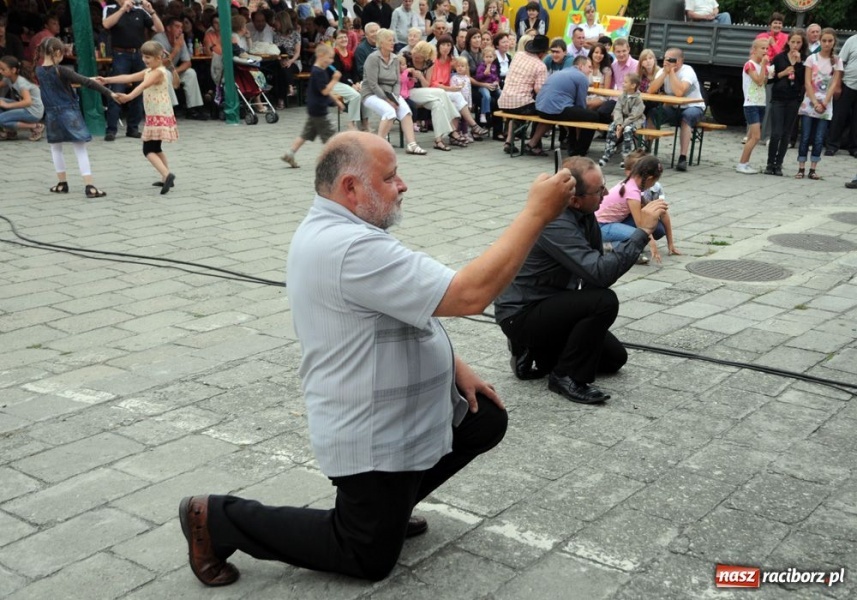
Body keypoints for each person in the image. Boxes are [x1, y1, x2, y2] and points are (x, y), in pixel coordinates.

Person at [178, 129, 576, 587]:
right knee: (365, 556)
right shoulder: (351, 247)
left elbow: (408, 306)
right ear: (351, 187)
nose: (402, 185)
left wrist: (454, 365)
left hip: (397, 413)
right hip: (370, 431)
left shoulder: (345, 230)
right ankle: (218, 517)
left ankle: (391, 505)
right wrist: (536, 214)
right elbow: (469, 294)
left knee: (483, 417)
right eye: (390, 177)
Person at [495, 156, 668, 403]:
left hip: (552, 302)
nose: (607, 193)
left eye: (604, 184)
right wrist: (642, 233)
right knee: (604, 302)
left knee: (614, 359)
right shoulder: (555, 222)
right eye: (599, 191)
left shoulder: (586, 214)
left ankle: (538, 351)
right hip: (521, 313)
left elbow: (594, 276)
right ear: (574, 199)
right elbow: (599, 273)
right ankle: (565, 376)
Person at [35, 37, 119, 197]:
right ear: (58, 52)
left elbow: (61, 84)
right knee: (80, 148)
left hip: (52, 114)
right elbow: (85, 83)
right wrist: (110, 93)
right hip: (69, 112)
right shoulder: (62, 70)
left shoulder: (38, 71)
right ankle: (90, 186)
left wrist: (86, 80)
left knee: (56, 148)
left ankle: (62, 183)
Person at [98, 41, 179, 194]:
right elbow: (129, 77)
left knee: (147, 150)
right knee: (156, 147)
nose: (144, 60)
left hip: (158, 114)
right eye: (143, 56)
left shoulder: (157, 72)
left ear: (158, 57)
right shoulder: (149, 70)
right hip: (158, 114)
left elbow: (142, 86)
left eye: (148, 57)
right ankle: (166, 177)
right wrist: (107, 80)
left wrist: (128, 97)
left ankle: (167, 175)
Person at [596, 153, 678, 265]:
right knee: (639, 235)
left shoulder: (634, 184)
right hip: (601, 226)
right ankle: (610, 245)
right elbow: (641, 226)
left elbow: (660, 213)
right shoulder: (632, 191)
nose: (653, 185)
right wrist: (652, 244)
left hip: (615, 222)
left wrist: (671, 244)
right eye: (654, 182)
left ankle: (622, 244)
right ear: (649, 178)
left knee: (656, 228)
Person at [102, 0, 165, 142]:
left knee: (140, 89)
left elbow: (160, 29)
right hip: (120, 54)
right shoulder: (110, 9)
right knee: (117, 89)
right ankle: (111, 129)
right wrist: (123, 9)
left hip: (139, 55)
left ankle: (133, 128)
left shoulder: (140, 11)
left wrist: (152, 11)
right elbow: (106, 24)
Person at [360, 28, 427, 155]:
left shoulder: (395, 58)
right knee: (390, 112)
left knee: (406, 111)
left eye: (393, 40)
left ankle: (412, 145)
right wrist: (388, 100)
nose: (393, 43)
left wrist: (395, 97)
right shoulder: (372, 58)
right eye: (390, 40)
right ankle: (379, 146)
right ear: (381, 42)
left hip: (390, 93)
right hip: (371, 94)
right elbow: (373, 84)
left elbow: (397, 81)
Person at [281, 45, 344, 168]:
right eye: (329, 58)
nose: (331, 61)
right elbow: (325, 91)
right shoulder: (318, 72)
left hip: (313, 108)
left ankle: (290, 153)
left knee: (305, 134)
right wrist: (335, 79)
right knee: (330, 136)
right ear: (320, 56)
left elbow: (325, 89)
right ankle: (331, 160)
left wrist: (336, 100)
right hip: (319, 109)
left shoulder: (320, 70)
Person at [795, 28, 842, 181]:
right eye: (824, 40)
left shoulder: (836, 61)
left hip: (826, 103)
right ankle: (801, 167)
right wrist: (815, 102)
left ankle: (813, 168)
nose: (827, 44)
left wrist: (825, 102)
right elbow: (807, 82)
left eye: (830, 41)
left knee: (819, 137)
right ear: (820, 41)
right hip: (810, 101)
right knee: (806, 135)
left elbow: (834, 83)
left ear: (834, 42)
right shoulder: (812, 59)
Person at [530, 55, 599, 157]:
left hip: (540, 109)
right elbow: (581, 105)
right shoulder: (582, 77)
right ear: (580, 66)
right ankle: (580, 152)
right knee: (593, 117)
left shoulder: (561, 72)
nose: (591, 70)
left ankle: (532, 144)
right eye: (589, 67)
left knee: (573, 115)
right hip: (555, 110)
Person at [650, 47, 705, 171]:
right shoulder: (663, 71)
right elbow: (651, 90)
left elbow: (679, 92)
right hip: (673, 106)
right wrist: (665, 72)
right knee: (653, 113)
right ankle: (647, 151)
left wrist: (672, 73)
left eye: (670, 59)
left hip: (693, 106)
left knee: (687, 117)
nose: (667, 61)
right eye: (665, 58)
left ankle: (682, 157)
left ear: (679, 61)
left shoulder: (688, 71)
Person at [766, 29, 807, 176]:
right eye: (793, 42)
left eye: (798, 42)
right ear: (788, 42)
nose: (795, 45)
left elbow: (804, 80)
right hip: (778, 98)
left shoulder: (804, 60)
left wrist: (798, 64)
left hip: (793, 99)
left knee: (786, 133)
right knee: (776, 132)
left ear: (802, 44)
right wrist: (782, 73)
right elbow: (769, 79)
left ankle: (779, 164)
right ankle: (770, 163)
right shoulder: (779, 58)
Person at [497, 33, 548, 151]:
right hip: (521, 105)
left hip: (504, 102)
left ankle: (509, 142)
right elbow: (539, 90)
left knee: (518, 105)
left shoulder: (518, 55)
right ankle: (533, 144)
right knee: (545, 111)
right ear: (542, 53)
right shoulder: (540, 66)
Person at [153, 16, 208, 120]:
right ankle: (170, 109)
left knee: (190, 73)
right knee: (167, 73)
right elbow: (160, 64)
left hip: (172, 70)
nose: (180, 30)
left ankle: (193, 108)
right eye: (177, 27)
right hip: (157, 71)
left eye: (181, 27)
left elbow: (187, 63)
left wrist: (176, 72)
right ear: (168, 28)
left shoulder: (179, 39)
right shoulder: (158, 39)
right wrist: (176, 48)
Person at [736, 38, 769, 175]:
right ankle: (741, 164)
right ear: (754, 50)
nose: (765, 51)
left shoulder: (762, 66)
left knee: (751, 136)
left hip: (760, 102)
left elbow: (765, 81)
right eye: (762, 48)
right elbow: (759, 81)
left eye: (767, 49)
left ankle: (746, 163)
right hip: (751, 104)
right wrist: (763, 66)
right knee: (756, 137)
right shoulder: (749, 65)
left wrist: (766, 69)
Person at [599, 73, 644, 167]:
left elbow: (634, 115)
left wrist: (623, 126)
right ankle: (607, 153)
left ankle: (626, 157)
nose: (623, 84)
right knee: (611, 128)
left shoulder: (638, 99)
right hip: (622, 120)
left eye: (625, 82)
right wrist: (619, 124)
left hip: (634, 121)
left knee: (627, 130)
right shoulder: (622, 96)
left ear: (633, 85)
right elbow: (617, 110)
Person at [824, 33, 857, 158]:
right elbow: (840, 62)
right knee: (839, 116)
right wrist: (837, 85)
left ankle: (854, 148)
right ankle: (832, 146)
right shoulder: (852, 40)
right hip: (848, 84)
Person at [0, 54, 44, 141]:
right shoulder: (8, 78)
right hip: (25, 108)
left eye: (3, 69)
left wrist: (7, 105)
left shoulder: (21, 82)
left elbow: (28, 102)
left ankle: (36, 126)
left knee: (1, 119)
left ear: (13, 70)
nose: (0, 71)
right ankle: (11, 131)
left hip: (33, 112)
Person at [332, 29, 363, 130]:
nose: (343, 39)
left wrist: (357, 82)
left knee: (365, 92)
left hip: (348, 83)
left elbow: (354, 72)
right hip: (335, 83)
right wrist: (351, 85)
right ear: (335, 40)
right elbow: (338, 74)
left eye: (345, 37)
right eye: (340, 37)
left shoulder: (350, 53)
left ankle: (364, 124)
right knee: (355, 96)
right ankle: (351, 124)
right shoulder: (333, 54)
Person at [273, 10, 301, 108]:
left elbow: (297, 52)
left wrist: (290, 61)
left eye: (277, 21)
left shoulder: (295, 35)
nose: (275, 24)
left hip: (294, 61)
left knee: (284, 69)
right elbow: (274, 51)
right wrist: (280, 60)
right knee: (281, 69)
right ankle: (290, 85)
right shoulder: (276, 35)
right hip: (280, 60)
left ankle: (281, 99)